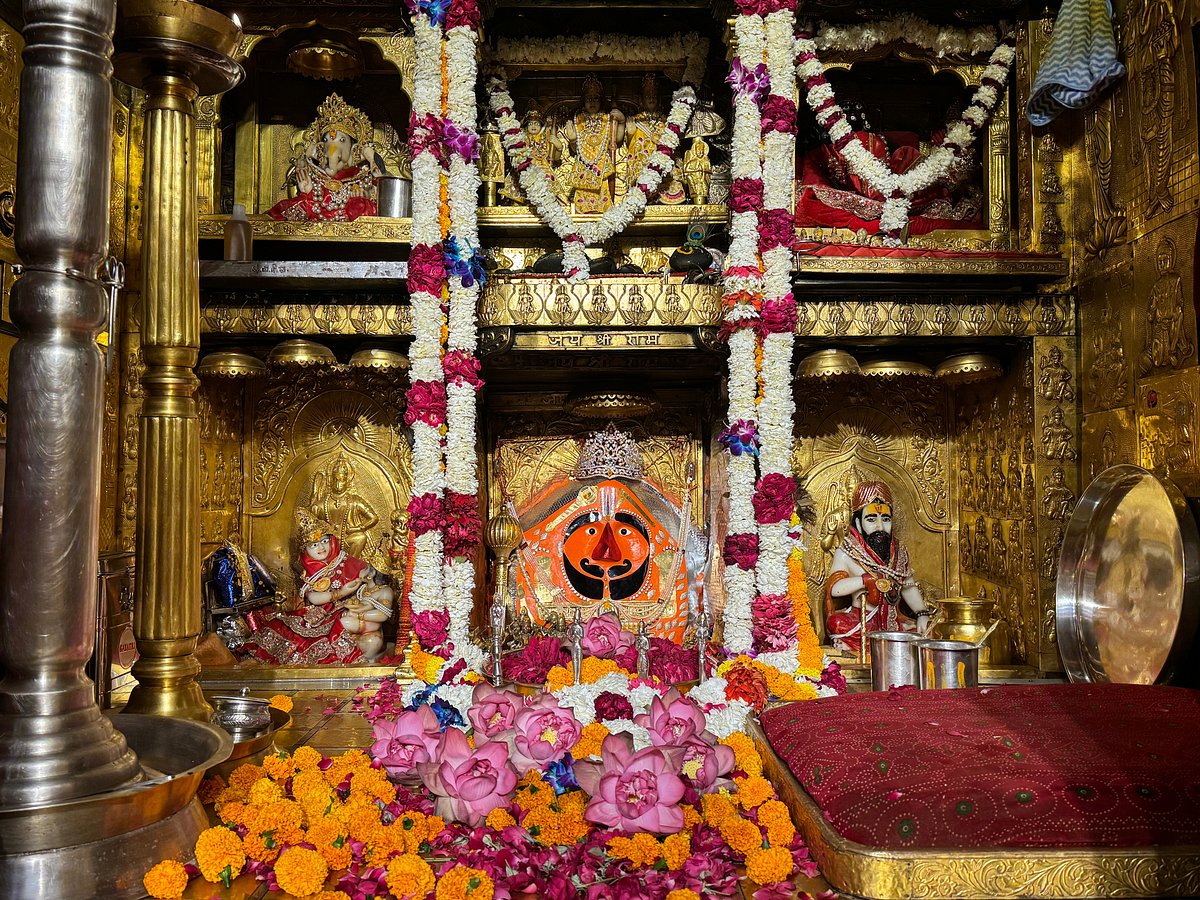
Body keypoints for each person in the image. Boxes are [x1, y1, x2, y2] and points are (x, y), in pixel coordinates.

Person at [240, 509, 394, 664]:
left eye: (324, 541)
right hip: (320, 613)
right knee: (286, 627)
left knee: (342, 630)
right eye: (314, 545)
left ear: (332, 541)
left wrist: (358, 595)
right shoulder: (310, 573)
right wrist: (339, 593)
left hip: (349, 611)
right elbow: (313, 597)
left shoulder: (348, 561)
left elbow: (372, 584)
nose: (321, 547)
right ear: (305, 550)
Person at [824, 480, 930, 653]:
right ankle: (855, 645)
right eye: (871, 519)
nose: (880, 526)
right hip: (863, 619)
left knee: (925, 628)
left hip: (893, 619)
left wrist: (922, 614)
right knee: (836, 623)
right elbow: (835, 589)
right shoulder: (846, 552)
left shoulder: (899, 551)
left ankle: (860, 646)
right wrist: (865, 580)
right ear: (858, 522)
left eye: (886, 519)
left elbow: (908, 587)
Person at [267, 94, 386, 223]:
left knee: (359, 207)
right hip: (317, 230)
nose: (333, 148)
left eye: (342, 140)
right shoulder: (317, 177)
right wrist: (307, 193)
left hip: (354, 236)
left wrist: (369, 193)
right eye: (326, 140)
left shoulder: (363, 177)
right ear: (320, 148)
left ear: (353, 148)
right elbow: (307, 208)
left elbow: (382, 205)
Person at [564, 74, 625, 213]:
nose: (592, 102)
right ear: (583, 101)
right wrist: (573, 139)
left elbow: (617, 139)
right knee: (583, 194)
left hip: (601, 165)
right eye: (589, 99)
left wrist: (621, 121)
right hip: (584, 167)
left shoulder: (608, 118)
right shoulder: (578, 119)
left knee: (603, 192)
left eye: (596, 98)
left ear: (601, 100)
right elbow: (576, 150)